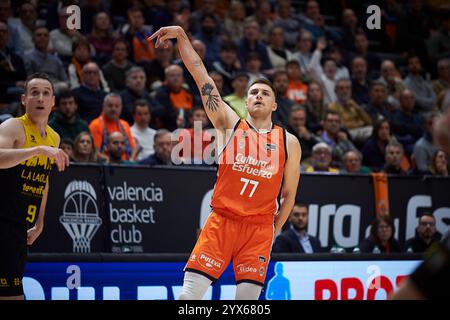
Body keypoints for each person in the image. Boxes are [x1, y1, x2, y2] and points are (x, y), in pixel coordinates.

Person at [149, 26, 301, 300]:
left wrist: (273, 232)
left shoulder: (288, 142)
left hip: (258, 231)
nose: (258, 96)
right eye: (254, 92)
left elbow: (289, 195)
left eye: (265, 94)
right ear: (245, 100)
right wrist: (182, 36)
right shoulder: (230, 125)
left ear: (275, 105)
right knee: (188, 298)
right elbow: (200, 74)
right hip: (222, 222)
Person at [0, 73, 69, 299]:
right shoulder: (13, 127)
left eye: (46, 93)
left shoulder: (54, 138)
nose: (40, 98)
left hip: (19, 228)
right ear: (24, 99)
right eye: (34, 93)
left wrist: (40, 223)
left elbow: (44, 180)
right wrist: (37, 150)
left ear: (53, 102)